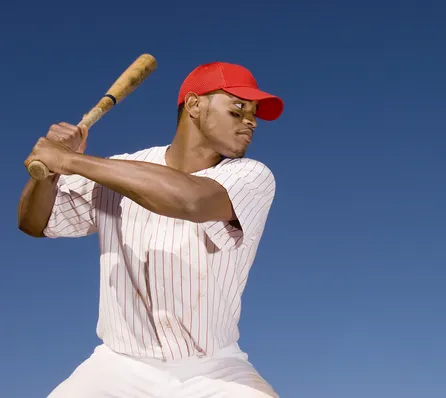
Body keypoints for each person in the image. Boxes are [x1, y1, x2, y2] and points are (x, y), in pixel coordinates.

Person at [18, 61, 284, 398]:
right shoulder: (120, 171)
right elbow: (33, 223)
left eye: (254, 113)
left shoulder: (252, 176)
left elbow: (189, 200)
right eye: (238, 109)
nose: (251, 121)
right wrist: (48, 174)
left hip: (213, 369)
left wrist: (69, 161)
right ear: (194, 105)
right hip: (118, 366)